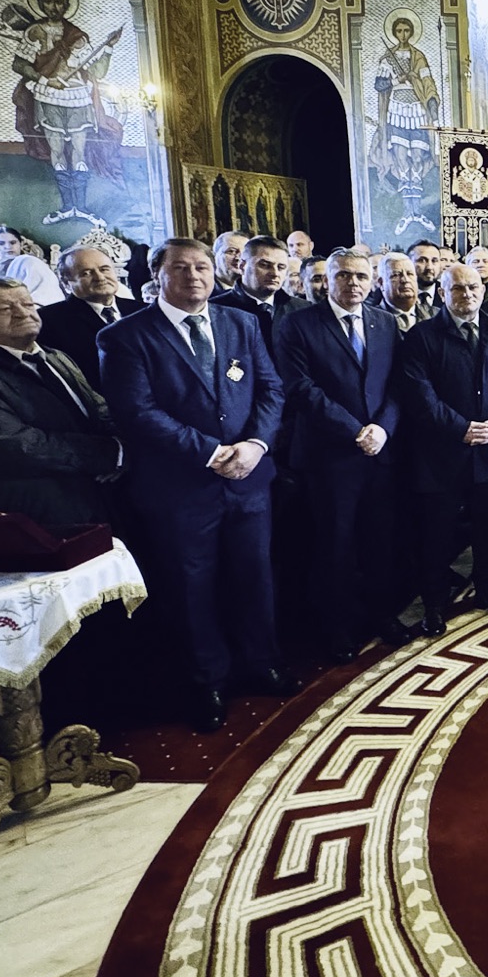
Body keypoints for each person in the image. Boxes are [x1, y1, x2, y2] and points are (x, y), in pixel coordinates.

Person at [98, 237, 290, 732]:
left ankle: (261, 662)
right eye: (180, 268)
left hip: (249, 477)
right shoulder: (125, 336)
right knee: (191, 585)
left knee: (255, 575)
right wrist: (211, 452)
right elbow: (138, 412)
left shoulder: (240, 322)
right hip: (180, 485)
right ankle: (208, 681)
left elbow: (270, 388)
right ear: (157, 275)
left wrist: (256, 445)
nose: (194, 276)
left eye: (202, 266)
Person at [272, 249, 410, 657]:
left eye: (361, 276)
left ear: (372, 281)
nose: (353, 283)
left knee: (379, 540)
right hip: (329, 456)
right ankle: (337, 628)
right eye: (344, 276)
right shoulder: (298, 324)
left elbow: (398, 384)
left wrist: (382, 428)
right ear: (327, 280)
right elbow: (300, 388)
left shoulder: (385, 322)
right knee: (335, 545)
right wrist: (355, 430)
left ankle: (382, 615)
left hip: (379, 452)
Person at [396, 264, 488, 631]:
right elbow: (420, 395)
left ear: (483, 289)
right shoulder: (422, 336)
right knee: (437, 533)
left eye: (473, 287)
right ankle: (434, 605)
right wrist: (461, 428)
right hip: (442, 453)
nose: (467, 294)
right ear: (443, 293)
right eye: (457, 288)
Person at [0, 277, 119, 526]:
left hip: (95, 502)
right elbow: (18, 446)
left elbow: (97, 408)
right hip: (33, 518)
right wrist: (111, 454)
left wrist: (126, 442)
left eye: (28, 304)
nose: (22, 313)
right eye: (5, 308)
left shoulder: (54, 357)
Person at [37, 246, 142, 388]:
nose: (100, 277)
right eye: (86, 273)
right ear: (66, 283)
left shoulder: (142, 310)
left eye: (104, 269)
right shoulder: (47, 320)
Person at [212, 235, 307, 351]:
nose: (275, 273)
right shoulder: (216, 309)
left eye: (281, 267)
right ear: (242, 266)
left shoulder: (302, 309)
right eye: (265, 265)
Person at [0, 226, 59, 306]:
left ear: (20, 244)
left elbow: (45, 291)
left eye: (13, 243)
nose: (8, 247)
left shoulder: (32, 264)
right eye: (1, 243)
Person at [370, 252, 419, 333]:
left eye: (410, 274)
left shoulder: (434, 314)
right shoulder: (370, 320)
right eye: (396, 275)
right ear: (381, 283)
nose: (405, 280)